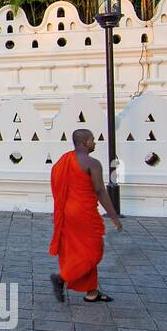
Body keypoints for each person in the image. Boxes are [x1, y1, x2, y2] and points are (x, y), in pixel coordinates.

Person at [49, 128, 121, 302]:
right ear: (84, 143)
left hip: (68, 212)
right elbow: (100, 191)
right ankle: (62, 277)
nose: (95, 142)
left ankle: (92, 292)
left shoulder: (63, 161)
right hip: (84, 213)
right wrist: (113, 216)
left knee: (79, 249)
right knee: (93, 251)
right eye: (92, 139)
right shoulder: (92, 163)